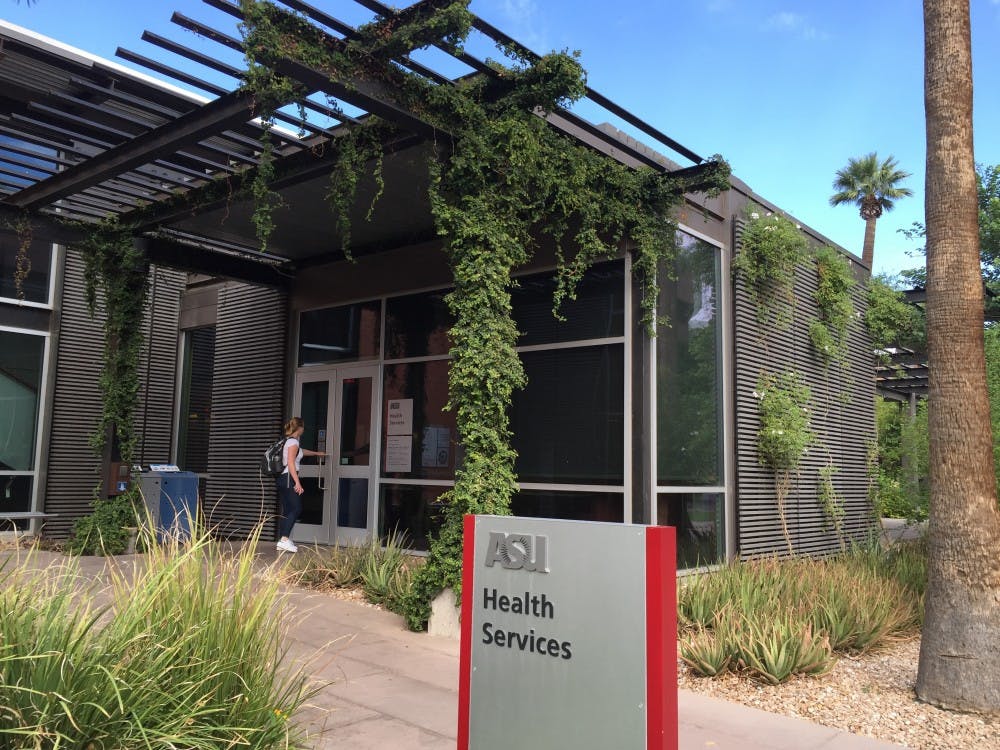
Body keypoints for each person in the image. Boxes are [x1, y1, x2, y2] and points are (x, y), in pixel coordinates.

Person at [276, 416, 326, 553]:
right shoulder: (293, 442)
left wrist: (317, 453)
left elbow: (301, 452)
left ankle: (282, 541)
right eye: (303, 427)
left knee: (288, 510)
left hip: (283, 478)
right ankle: (284, 540)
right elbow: (291, 462)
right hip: (289, 478)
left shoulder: (288, 441)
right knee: (296, 508)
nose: (304, 429)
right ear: (299, 428)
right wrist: (297, 482)